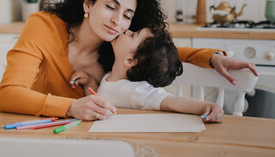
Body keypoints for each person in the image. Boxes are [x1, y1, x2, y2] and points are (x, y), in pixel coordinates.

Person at [0, 0, 257, 121]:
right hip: (43, 134)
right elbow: (9, 95)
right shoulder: (43, 26)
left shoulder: (117, 51)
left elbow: (165, 52)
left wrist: (212, 57)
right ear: (88, 3)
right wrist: (71, 107)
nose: (117, 22)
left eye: (127, 16)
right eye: (111, 6)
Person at [70, 27, 223, 122]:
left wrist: (205, 106)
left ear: (130, 60)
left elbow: (171, 101)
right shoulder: (110, 75)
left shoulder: (136, 90)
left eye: (132, 35)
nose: (127, 30)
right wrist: (90, 82)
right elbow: (101, 101)